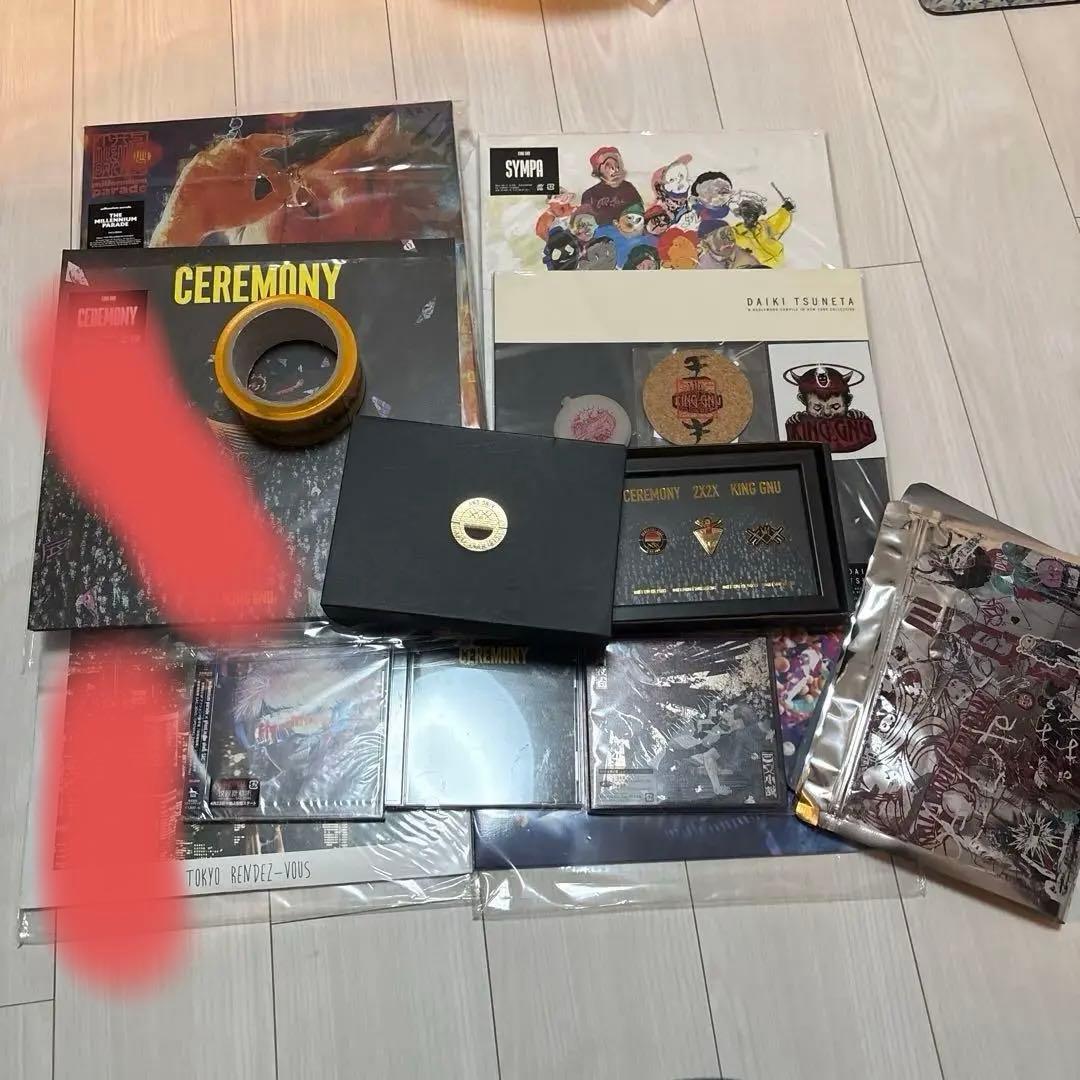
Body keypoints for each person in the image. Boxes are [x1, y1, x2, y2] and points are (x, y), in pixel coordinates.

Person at [729, 189, 795, 269]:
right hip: (756, 267)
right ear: (741, 214)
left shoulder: (764, 225)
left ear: (759, 213)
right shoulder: (734, 233)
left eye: (754, 213)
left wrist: (785, 209)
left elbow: (778, 220)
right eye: (747, 213)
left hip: (780, 263)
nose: (751, 216)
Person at [580, 146, 642, 226]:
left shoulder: (628, 188)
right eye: (607, 165)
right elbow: (585, 223)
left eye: (617, 164)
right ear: (598, 171)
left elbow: (639, 214)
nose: (615, 169)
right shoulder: (589, 195)